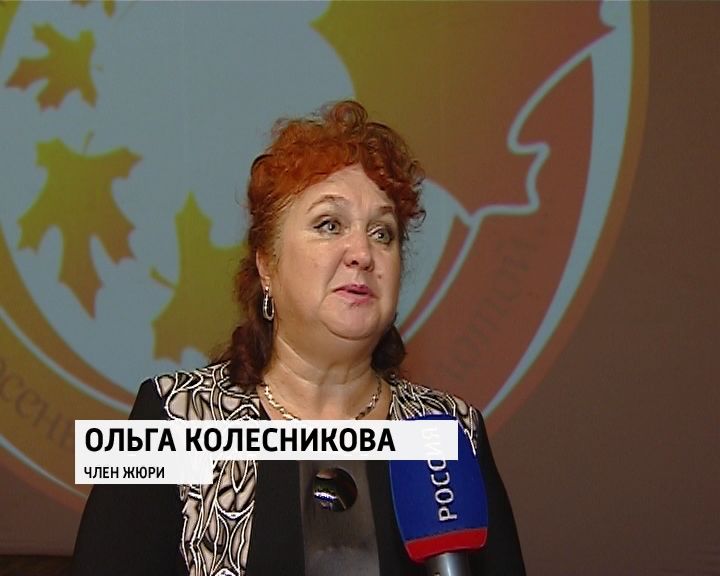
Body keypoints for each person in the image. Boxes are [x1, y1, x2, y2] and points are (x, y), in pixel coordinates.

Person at [71, 101, 525, 576]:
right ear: (267, 265)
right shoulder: (172, 415)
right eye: (330, 225)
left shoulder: (453, 434)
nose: (362, 253)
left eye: (382, 233)